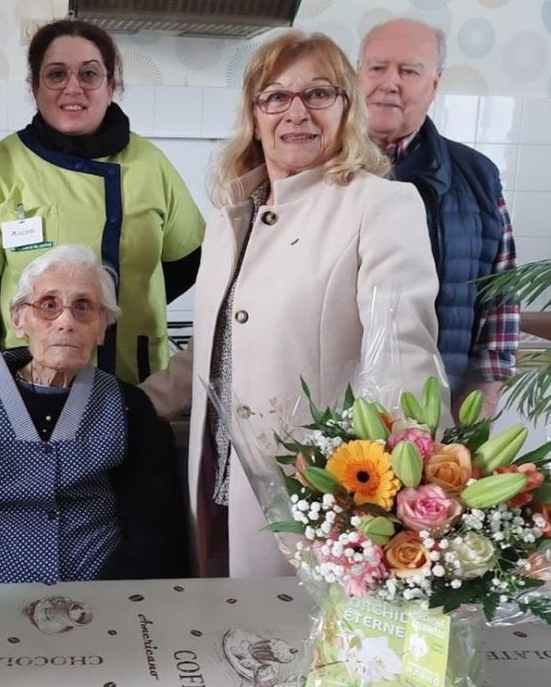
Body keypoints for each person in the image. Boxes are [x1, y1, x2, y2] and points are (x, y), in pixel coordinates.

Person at [141, 30, 441, 578]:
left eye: (318, 93)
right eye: (276, 96)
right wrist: (137, 405)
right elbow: (216, 344)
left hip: (319, 490)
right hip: (217, 477)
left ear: (346, 108)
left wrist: (407, 486)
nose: (296, 112)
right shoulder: (234, 215)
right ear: (255, 117)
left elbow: (403, 352)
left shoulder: (381, 205)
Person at [0, 19, 204, 385]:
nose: (74, 88)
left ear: (111, 85)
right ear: (35, 87)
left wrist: (125, 306)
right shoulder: (4, 167)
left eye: (89, 74)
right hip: (31, 381)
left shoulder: (150, 163)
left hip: (135, 378)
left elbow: (190, 260)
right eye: (56, 75)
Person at [0, 245, 189, 584]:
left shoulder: (127, 404)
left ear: (102, 326)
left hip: (102, 596)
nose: (65, 322)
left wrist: (111, 601)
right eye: (48, 305)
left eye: (83, 307)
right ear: (19, 320)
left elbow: (155, 528)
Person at [358, 18, 518, 416]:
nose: (389, 82)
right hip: (326, 409)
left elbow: (501, 294)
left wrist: (483, 397)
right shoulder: (316, 167)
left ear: (435, 83)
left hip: (438, 409)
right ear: (356, 74)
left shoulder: (478, 175)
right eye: (377, 67)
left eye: (409, 71)